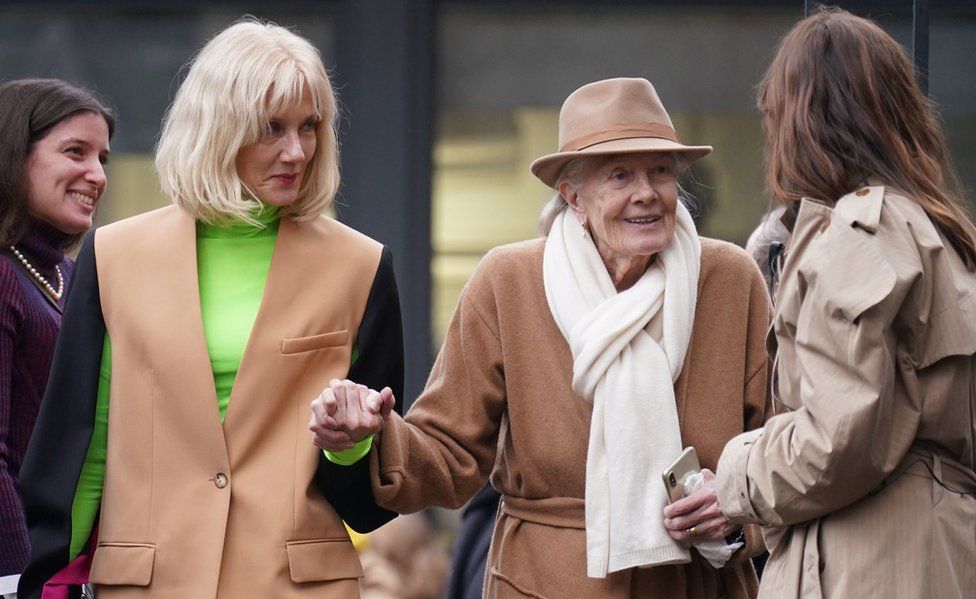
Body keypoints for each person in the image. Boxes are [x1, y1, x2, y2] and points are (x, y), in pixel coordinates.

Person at [312, 78, 771, 597]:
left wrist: (735, 508)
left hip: (698, 583)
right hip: (543, 583)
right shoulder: (508, 282)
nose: (646, 192)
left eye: (660, 171)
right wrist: (366, 435)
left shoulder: (731, 280)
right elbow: (449, 451)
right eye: (619, 175)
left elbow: (783, 445)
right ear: (572, 197)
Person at [17, 20, 402, 599]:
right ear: (219, 128)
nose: (296, 151)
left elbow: (370, 496)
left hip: (299, 586)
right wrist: (43, 580)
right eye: (272, 127)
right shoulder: (115, 255)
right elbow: (85, 443)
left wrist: (353, 443)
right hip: (146, 584)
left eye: (309, 127)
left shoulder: (362, 266)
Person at [665, 8, 976, 598]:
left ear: (803, 121)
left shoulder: (857, 233)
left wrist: (732, 477)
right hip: (935, 552)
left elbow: (840, 442)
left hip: (871, 564)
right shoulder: (942, 235)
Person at [0, 79, 113, 599]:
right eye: (75, 152)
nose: (97, 174)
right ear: (13, 155)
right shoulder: (4, 277)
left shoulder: (73, 276)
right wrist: (17, 578)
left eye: (103, 158)